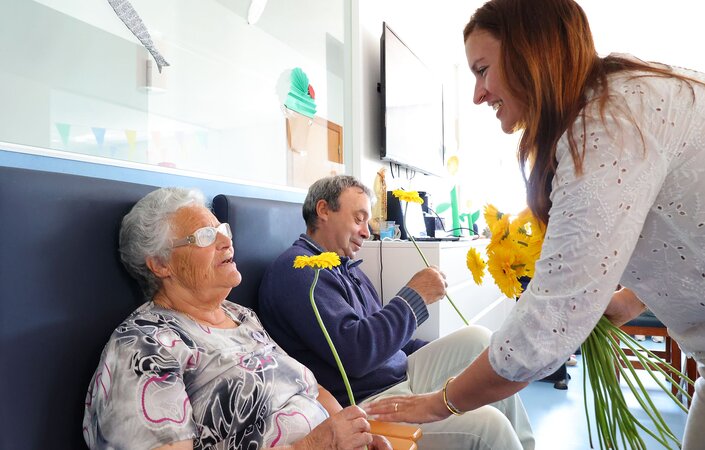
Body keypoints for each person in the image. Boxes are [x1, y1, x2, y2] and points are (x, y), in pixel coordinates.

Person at [362, 1, 705, 449]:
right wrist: (628, 301)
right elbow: (680, 230)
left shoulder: (606, 128)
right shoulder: (619, 100)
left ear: (531, 52)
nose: (477, 94)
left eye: (482, 70)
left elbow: (545, 328)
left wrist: (439, 403)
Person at [82, 187, 392, 450]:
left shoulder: (240, 315)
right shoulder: (144, 346)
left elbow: (309, 388)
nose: (226, 241)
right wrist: (315, 444)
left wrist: (356, 436)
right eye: (205, 236)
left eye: (223, 230)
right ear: (161, 264)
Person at [259, 175, 535, 449]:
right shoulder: (298, 271)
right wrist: (414, 297)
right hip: (369, 400)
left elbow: (392, 344)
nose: (366, 232)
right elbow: (357, 354)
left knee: (479, 340)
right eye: (358, 219)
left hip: (400, 374)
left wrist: (445, 354)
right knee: (489, 424)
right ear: (323, 211)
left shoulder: (345, 268)